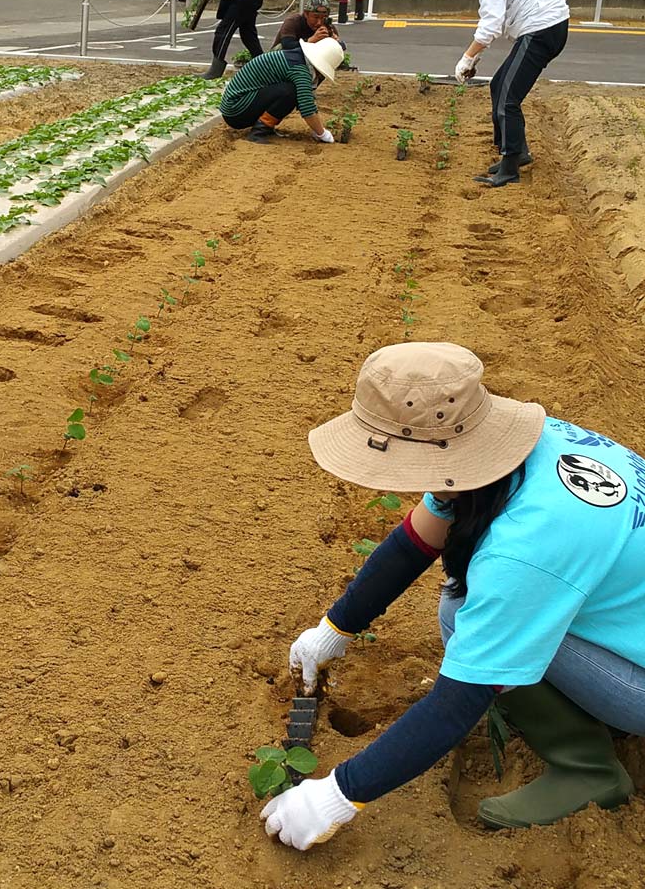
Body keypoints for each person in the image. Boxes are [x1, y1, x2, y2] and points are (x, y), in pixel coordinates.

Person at [262, 342, 643, 850]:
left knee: (468, 615)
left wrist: (336, 794)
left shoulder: (525, 548)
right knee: (462, 604)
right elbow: (412, 544)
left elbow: (459, 700)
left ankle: (588, 770)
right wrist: (333, 630)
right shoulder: (523, 452)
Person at [443, 0, 569, 188]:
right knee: (499, 86)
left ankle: (510, 167)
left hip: (542, 29)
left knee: (508, 99)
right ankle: (516, 151)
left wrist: (468, 57)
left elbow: (492, 21)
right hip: (548, 26)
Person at [220, 38, 344, 144]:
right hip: (236, 110)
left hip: (237, 105)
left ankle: (265, 127)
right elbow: (307, 106)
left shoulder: (295, 58)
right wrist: (322, 134)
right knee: (290, 91)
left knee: (291, 90)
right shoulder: (299, 69)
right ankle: (259, 131)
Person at [271, 0, 342, 51]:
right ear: (306, 14)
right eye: (316, 17)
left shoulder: (328, 26)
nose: (319, 22)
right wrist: (310, 41)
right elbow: (287, 45)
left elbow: (342, 47)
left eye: (323, 18)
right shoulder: (293, 21)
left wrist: (335, 42)